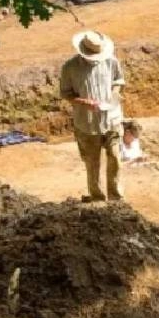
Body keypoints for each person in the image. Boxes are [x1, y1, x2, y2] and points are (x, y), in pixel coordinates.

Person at [60, 30, 126, 202]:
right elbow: (66, 93)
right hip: (87, 123)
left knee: (115, 157)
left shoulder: (111, 61)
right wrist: (84, 102)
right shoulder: (70, 68)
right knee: (92, 162)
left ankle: (115, 197)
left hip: (111, 118)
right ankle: (97, 198)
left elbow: (118, 81)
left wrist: (114, 94)